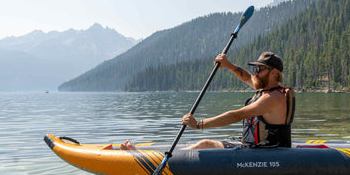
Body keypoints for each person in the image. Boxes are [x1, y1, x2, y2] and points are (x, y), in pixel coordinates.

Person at [120, 51, 295, 150]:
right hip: (255, 148)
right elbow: (246, 77)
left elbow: (237, 115)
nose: (255, 72)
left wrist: (199, 124)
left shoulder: (273, 98)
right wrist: (228, 65)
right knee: (206, 144)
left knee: (205, 143)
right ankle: (152, 155)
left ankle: (150, 160)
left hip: (268, 153)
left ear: (273, 73)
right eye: (255, 68)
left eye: (260, 69)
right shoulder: (265, 89)